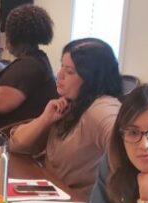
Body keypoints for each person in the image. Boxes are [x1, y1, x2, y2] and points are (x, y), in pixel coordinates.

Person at [8, 38, 122, 195]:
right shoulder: (71, 103)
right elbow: (16, 145)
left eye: (69, 72)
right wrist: (45, 119)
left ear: (92, 77)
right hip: (52, 191)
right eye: (62, 66)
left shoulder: (101, 108)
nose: (59, 75)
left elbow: (126, 143)